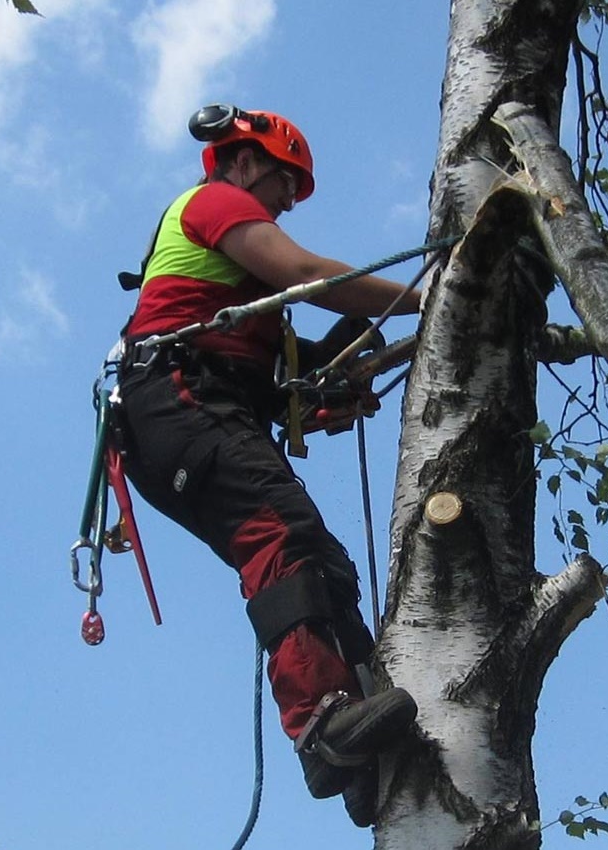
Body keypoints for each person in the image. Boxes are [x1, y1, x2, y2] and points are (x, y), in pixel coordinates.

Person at [111, 105, 419, 827]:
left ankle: (356, 736)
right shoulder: (214, 202)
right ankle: (322, 722)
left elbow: (297, 377)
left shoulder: (248, 309)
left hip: (188, 413)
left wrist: (341, 376)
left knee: (319, 556)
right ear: (244, 162)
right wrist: (426, 294)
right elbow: (308, 274)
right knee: (280, 533)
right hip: (175, 400)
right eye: (286, 185)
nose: (287, 203)